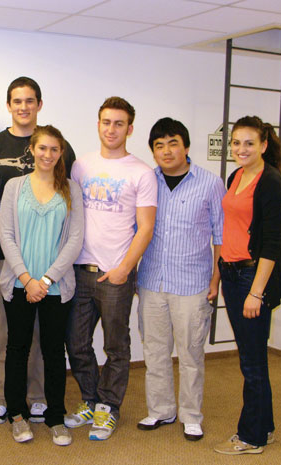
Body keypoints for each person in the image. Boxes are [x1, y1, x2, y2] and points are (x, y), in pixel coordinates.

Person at [0, 76, 76, 424]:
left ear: (39, 104)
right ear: (8, 105)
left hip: (52, 273)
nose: (23, 106)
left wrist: (48, 277)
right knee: (8, 338)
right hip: (3, 263)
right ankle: (6, 397)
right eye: (17, 101)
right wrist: (18, 273)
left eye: (30, 100)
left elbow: (73, 229)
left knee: (45, 342)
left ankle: (38, 398)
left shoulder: (65, 171)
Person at [65, 96, 157, 441]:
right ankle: (90, 399)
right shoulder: (81, 166)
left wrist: (124, 269)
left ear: (129, 128)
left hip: (116, 274)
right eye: (106, 122)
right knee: (76, 343)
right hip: (79, 270)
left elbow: (146, 227)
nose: (112, 129)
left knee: (116, 346)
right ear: (98, 124)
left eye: (119, 123)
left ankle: (109, 407)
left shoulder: (141, 172)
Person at [136, 118, 225, 441]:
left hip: (193, 284)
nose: (166, 151)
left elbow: (221, 236)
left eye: (173, 143)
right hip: (151, 282)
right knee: (155, 351)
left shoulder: (210, 184)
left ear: (186, 146)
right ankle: (161, 410)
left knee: (190, 353)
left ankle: (191, 415)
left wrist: (216, 279)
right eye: (159, 145)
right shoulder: (148, 182)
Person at [0, 125, 83, 446]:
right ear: (31, 150)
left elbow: (75, 239)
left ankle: (56, 417)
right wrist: (26, 278)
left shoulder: (71, 190)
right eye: (42, 148)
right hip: (20, 284)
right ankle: (17, 414)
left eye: (54, 149)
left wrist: (46, 279)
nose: (48, 155)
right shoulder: (13, 186)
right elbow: (6, 235)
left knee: (53, 352)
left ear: (61, 153)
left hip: (55, 286)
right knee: (18, 349)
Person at [213, 116, 281, 455]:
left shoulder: (270, 182)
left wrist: (256, 292)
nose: (241, 149)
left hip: (251, 277)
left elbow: (273, 244)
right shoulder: (236, 175)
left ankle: (251, 437)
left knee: (252, 363)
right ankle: (265, 428)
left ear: (263, 145)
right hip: (230, 273)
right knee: (252, 357)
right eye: (236, 143)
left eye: (249, 143)